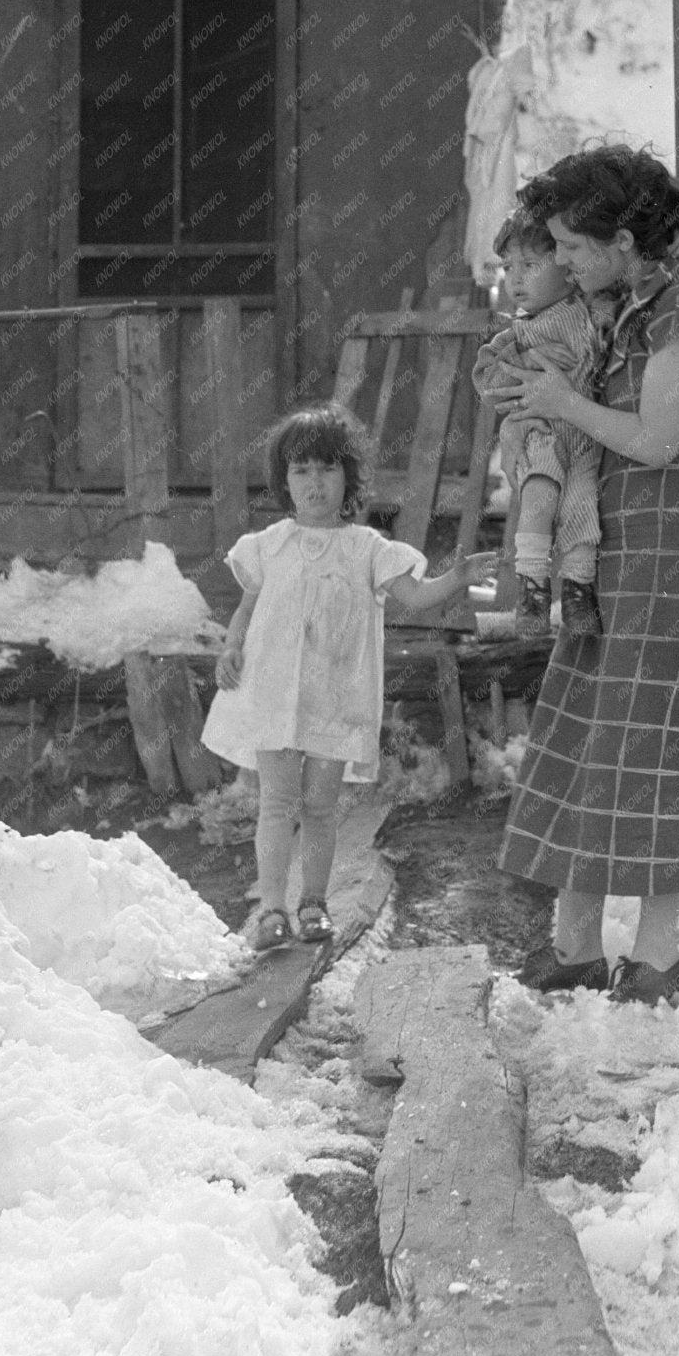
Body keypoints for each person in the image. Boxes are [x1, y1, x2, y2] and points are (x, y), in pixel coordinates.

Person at [483, 145, 679, 1008]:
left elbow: (659, 440)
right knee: (589, 732)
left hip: (675, 554)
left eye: (572, 246)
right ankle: (575, 946)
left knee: (650, 745)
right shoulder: (626, 301)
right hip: (619, 548)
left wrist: (561, 405)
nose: (561, 261)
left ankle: (658, 956)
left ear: (623, 241)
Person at [201, 403, 499, 951]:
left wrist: (458, 576)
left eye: (327, 469)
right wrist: (232, 646)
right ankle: (271, 909)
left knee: (319, 805)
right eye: (301, 471)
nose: (315, 484)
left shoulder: (368, 550)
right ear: (284, 481)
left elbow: (417, 596)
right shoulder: (269, 546)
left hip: (334, 699)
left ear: (349, 478)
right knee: (276, 802)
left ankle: (314, 903)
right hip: (274, 694)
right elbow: (247, 605)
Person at [473, 207, 608, 638]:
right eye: (508, 267)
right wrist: (516, 372)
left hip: (586, 435)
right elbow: (490, 383)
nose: (515, 280)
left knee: (583, 507)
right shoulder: (516, 332)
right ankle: (532, 587)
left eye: (530, 265)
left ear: (568, 267)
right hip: (542, 435)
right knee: (539, 499)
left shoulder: (590, 311)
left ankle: (577, 592)